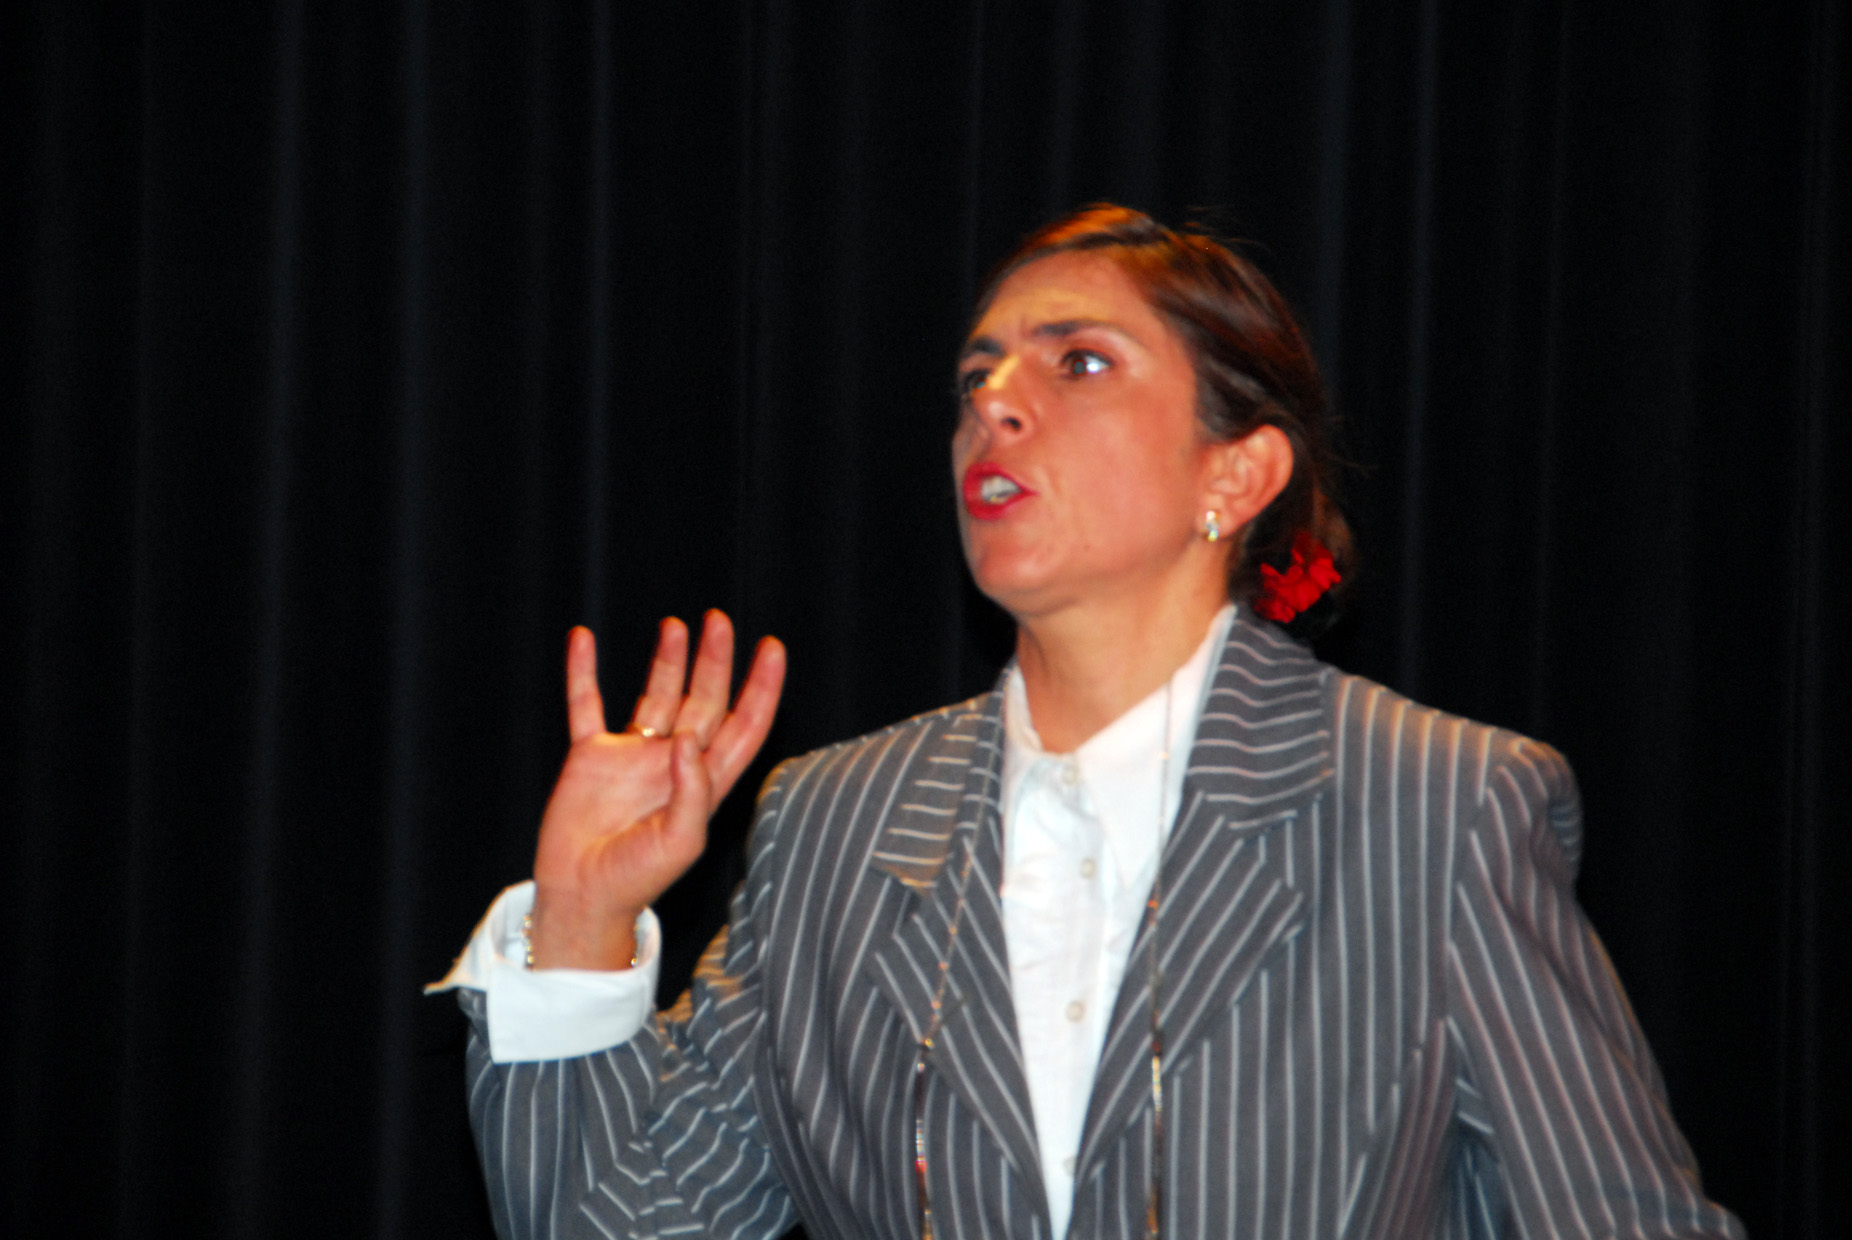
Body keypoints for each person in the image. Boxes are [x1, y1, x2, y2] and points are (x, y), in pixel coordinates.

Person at [433, 205, 1743, 1239]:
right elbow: (618, 1221)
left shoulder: (1438, 805)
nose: (993, 402)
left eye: (1081, 362)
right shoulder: (833, 825)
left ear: (1237, 471)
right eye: (977, 375)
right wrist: (582, 921)